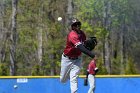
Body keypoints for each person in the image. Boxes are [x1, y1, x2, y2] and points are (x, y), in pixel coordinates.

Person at [60, 18, 95, 93]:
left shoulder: (82, 34)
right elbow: (80, 47)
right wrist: (91, 54)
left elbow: (84, 45)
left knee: (74, 77)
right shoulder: (72, 35)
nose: (77, 26)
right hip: (67, 59)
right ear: (73, 27)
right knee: (62, 80)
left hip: (77, 59)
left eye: (78, 24)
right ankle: (69, 75)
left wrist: (88, 45)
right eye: (75, 25)